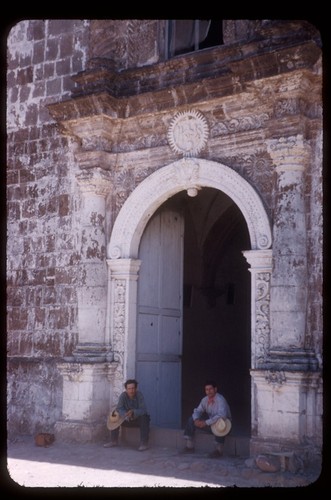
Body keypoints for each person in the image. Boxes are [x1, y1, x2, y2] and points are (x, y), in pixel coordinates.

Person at [182, 380, 232, 458]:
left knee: (220, 424)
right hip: (211, 424)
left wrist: (206, 422)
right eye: (206, 389)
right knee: (191, 419)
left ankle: (219, 451)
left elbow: (222, 416)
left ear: (215, 389)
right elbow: (198, 410)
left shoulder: (220, 399)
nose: (209, 391)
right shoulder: (205, 400)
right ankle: (189, 447)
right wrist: (196, 420)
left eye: (211, 389)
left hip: (225, 425)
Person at [104, 379, 150, 451]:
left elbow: (143, 410)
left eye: (133, 388)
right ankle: (113, 441)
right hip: (126, 419)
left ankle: (144, 443)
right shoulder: (123, 396)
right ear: (126, 389)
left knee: (145, 417)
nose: (131, 391)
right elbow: (119, 408)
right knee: (115, 415)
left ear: (136, 388)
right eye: (129, 389)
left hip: (137, 420)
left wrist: (133, 412)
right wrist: (125, 414)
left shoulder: (139, 395)